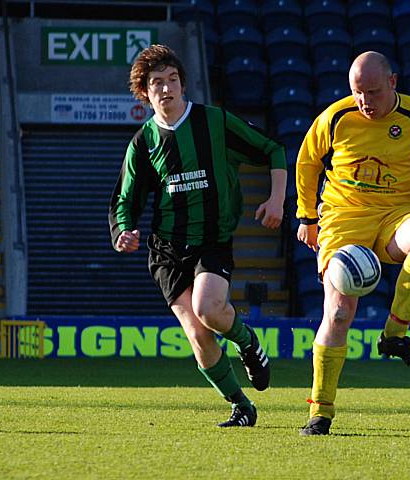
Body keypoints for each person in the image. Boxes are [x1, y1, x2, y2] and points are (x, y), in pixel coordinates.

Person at [109, 44, 287, 427]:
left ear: (183, 85)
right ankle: (241, 405)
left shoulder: (213, 122)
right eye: (157, 83)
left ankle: (247, 341)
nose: (166, 88)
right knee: (195, 331)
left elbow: (272, 149)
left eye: (173, 80)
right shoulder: (143, 142)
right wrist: (123, 230)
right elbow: (125, 198)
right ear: (145, 92)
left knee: (209, 310)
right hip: (167, 250)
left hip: (211, 239)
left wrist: (276, 201)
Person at [295, 51, 410, 435]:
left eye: (372, 92)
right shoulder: (336, 117)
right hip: (343, 218)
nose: (364, 102)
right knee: (339, 314)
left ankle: (394, 334)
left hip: (395, 213)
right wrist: (307, 218)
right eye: (357, 92)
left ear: (392, 83)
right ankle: (320, 411)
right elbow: (307, 162)